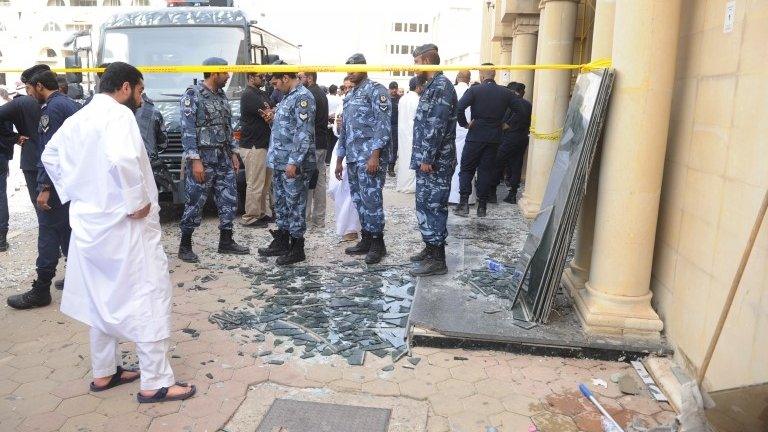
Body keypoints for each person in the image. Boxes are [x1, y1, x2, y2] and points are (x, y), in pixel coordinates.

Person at [40, 62, 196, 404]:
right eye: (139, 91)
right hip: (126, 224)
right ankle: (155, 382)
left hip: (89, 223)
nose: (141, 98)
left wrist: (75, 191)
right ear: (125, 87)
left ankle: (104, 372)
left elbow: (49, 154)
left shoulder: (77, 119)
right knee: (149, 294)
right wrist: (136, 200)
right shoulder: (118, 115)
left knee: (100, 296)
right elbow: (124, 158)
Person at [7, 69, 79, 309]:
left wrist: (44, 186)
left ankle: (41, 290)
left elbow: (51, 153)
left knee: (48, 230)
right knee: (69, 228)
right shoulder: (68, 103)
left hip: (56, 182)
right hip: (70, 181)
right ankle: (78, 280)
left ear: (39, 86)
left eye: (29, 88)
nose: (28, 93)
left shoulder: (52, 109)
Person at [178, 57, 249, 263]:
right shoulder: (193, 95)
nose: (228, 76)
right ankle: (185, 245)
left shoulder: (221, 96)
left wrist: (233, 153)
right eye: (225, 73)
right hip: (203, 158)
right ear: (213, 73)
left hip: (223, 157)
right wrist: (195, 159)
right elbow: (188, 130)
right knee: (195, 201)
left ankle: (226, 241)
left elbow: (228, 126)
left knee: (228, 199)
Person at [334, 53, 391, 265]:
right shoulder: (350, 95)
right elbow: (345, 131)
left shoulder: (376, 91)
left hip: (369, 158)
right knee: (359, 200)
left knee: (372, 200)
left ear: (364, 68)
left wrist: (375, 155)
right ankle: (366, 238)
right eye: (348, 68)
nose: (350, 72)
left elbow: (383, 125)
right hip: (353, 158)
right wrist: (340, 159)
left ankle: (378, 243)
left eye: (354, 68)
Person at [258, 62, 316, 265]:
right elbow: (288, 128)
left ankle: (297, 247)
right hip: (280, 162)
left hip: (293, 165)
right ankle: (282, 240)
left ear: (285, 77)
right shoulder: (287, 98)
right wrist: (272, 119)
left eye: (275, 82)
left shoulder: (302, 98)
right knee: (281, 205)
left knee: (295, 205)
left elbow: (303, 133)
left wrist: (294, 162)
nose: (274, 87)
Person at [409, 44, 457, 277]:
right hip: (427, 160)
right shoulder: (432, 86)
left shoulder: (442, 86)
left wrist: (427, 156)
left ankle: (438, 259)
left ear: (427, 62)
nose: (414, 67)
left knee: (434, 205)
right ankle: (430, 248)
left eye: (417, 62)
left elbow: (436, 124)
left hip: (435, 161)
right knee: (425, 204)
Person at [455, 63, 521, 218]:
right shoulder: (505, 93)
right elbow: (520, 110)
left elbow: (459, 108)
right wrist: (507, 124)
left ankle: (464, 204)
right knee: (485, 171)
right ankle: (482, 207)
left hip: (475, 136)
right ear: (494, 75)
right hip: (494, 137)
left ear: (481, 75)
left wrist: (465, 124)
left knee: (466, 169)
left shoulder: (475, 90)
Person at [238, 72, 274, 228]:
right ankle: (250, 217)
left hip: (264, 144)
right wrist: (270, 111)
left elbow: (271, 109)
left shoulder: (262, 93)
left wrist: (271, 111)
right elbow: (267, 113)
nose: (263, 78)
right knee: (254, 182)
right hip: (253, 145)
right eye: (260, 76)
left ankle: (260, 213)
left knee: (264, 183)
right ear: (251, 78)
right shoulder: (248, 95)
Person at [328, 78, 361, 243]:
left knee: (351, 191)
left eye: (351, 87)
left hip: (357, 153)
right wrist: (339, 126)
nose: (347, 90)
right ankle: (345, 225)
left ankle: (352, 228)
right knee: (338, 189)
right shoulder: (342, 104)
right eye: (345, 87)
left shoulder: (362, 103)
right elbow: (337, 131)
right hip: (341, 152)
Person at [298, 71, 329, 229]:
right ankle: (319, 220)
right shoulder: (321, 93)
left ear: (309, 78)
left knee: (307, 181)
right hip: (322, 142)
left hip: (313, 144)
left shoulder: (309, 94)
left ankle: (305, 219)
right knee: (320, 182)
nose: (299, 79)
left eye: (301, 77)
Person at [494, 82, 532, 204]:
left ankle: (491, 192)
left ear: (512, 92)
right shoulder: (528, 105)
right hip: (522, 138)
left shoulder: (511, 104)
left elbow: (505, 124)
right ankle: (512, 194)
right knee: (516, 166)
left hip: (509, 138)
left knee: (496, 163)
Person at [449, 70, 476, 206]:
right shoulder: (473, 92)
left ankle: (451, 196)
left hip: (452, 133)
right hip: (469, 133)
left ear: (457, 78)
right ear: (469, 79)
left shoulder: (451, 90)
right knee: (467, 165)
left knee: (452, 164)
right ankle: (466, 198)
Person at [395, 76, 422, 193]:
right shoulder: (417, 100)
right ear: (418, 87)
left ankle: (402, 184)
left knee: (403, 158)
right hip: (412, 133)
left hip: (402, 133)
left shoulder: (403, 99)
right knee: (412, 159)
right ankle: (410, 186)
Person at [326, 84, 342, 163]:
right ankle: (332, 159)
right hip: (335, 122)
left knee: (328, 142)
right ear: (336, 91)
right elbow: (339, 112)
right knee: (334, 142)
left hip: (327, 121)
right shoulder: (339, 99)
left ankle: (327, 160)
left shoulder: (326, 98)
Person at [387, 81, 400, 177]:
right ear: (389, 89)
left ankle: (391, 167)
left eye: (395, 88)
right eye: (392, 88)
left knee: (394, 147)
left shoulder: (400, 99)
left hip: (395, 126)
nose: (394, 90)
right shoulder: (385, 99)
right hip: (385, 125)